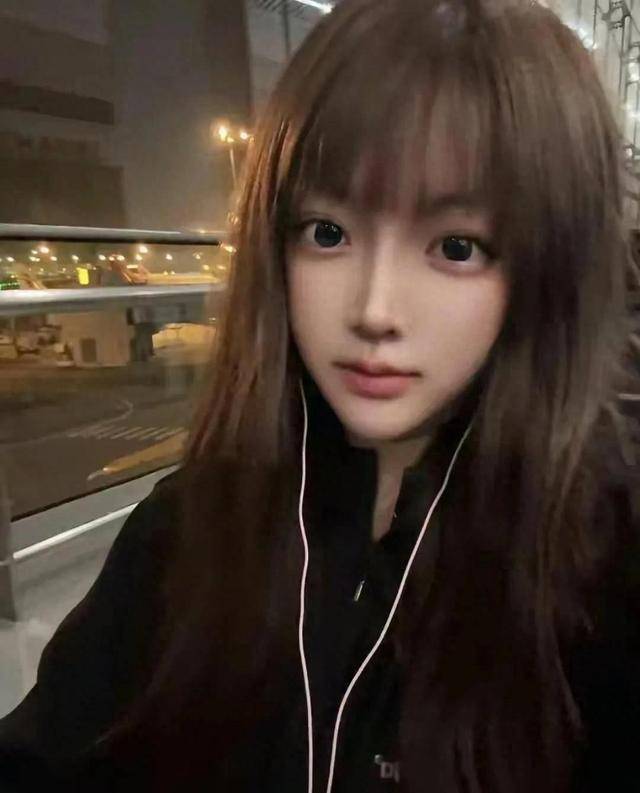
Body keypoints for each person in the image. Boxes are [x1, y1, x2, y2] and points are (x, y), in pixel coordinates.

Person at [1, 0, 639, 790]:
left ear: (548, 267)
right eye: (328, 233)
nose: (374, 309)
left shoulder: (606, 565)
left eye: (456, 246)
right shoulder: (191, 528)